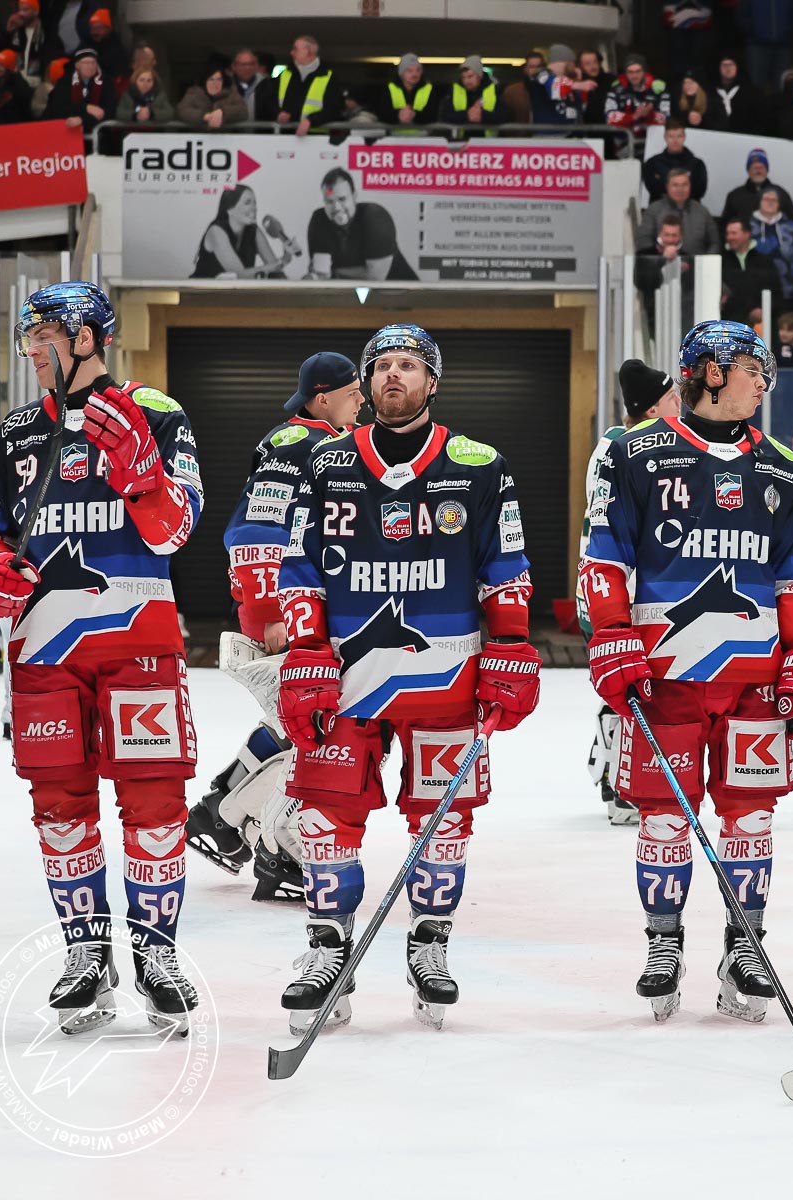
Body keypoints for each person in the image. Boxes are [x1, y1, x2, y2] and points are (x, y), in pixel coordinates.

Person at [273, 324, 540, 1035]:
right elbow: (298, 566)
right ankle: (328, 949)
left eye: (409, 365)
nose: (394, 375)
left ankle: (429, 944)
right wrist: (305, 650)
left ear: (432, 381)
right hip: (348, 680)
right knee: (325, 816)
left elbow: (506, 566)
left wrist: (511, 647)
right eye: (382, 365)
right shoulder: (325, 462)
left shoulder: (479, 465)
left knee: (444, 820)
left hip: (445, 677)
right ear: (366, 384)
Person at [0, 282, 200, 1034]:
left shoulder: (157, 413)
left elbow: (176, 533)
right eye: (28, 339)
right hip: (43, 650)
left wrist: (142, 473)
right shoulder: (16, 431)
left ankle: (157, 955)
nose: (33, 351)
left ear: (87, 337)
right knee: (58, 807)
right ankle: (86, 952)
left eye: (46, 337)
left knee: (155, 807)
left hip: (138, 644)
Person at [581, 322, 793, 1023]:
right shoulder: (633, 453)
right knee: (663, 819)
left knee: (751, 819)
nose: (763, 382)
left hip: (755, 681)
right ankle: (664, 942)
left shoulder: (783, 465)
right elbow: (604, 557)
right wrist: (612, 635)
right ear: (710, 372)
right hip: (665, 678)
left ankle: (746, 945)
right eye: (751, 369)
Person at [187, 352, 364, 900]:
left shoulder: (319, 440)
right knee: (319, 728)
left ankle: (221, 811)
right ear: (323, 397)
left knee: (294, 722)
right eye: (354, 391)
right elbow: (256, 528)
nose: (362, 399)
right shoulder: (298, 443)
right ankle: (279, 846)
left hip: (298, 607)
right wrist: (272, 612)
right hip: (284, 612)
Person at [576, 361, 681, 827]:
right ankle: (621, 785)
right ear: (654, 408)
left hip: (604, 589)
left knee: (621, 685)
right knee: (632, 688)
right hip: (622, 592)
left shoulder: (612, 445)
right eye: (673, 398)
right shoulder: (630, 450)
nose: (681, 405)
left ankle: (609, 773)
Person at [306, 168, 416, 281]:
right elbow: (320, 272)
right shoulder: (319, 221)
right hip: (346, 291)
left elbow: (375, 278)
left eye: (342, 199)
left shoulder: (374, 217)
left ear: (354, 197)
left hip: (402, 290)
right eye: (329, 201)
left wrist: (334, 273)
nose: (336, 208)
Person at [192, 185, 293, 280]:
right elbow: (238, 274)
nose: (254, 208)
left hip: (235, 291)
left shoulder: (254, 230)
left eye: (254, 203)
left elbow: (274, 268)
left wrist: (287, 256)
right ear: (230, 209)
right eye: (247, 203)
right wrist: (281, 262)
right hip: (203, 290)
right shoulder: (216, 231)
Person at [638, 167, 719, 257]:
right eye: (675, 185)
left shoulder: (702, 211)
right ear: (667, 187)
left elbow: (714, 243)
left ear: (690, 186)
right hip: (661, 263)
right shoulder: (654, 210)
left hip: (696, 263)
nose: (680, 189)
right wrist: (660, 258)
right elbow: (644, 241)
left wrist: (706, 261)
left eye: (684, 185)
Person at [275, 33, 342, 136]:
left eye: (295, 49)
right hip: (284, 135)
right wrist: (278, 113)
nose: (291, 53)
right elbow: (269, 101)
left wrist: (311, 120)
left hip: (315, 138)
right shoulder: (285, 74)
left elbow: (334, 110)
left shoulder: (329, 78)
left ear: (309, 52)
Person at [750, 188, 793, 301]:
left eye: (774, 200)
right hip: (754, 284)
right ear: (759, 201)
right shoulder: (748, 226)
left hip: (788, 286)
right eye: (766, 199)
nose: (770, 202)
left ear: (779, 204)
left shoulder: (791, 226)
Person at [721, 218, 784, 321]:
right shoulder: (720, 261)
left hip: (760, 323)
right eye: (727, 233)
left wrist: (763, 309)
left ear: (747, 234)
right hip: (729, 321)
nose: (729, 237)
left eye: (734, 233)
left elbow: (776, 292)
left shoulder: (764, 261)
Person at [720, 149, 793, 228]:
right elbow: (724, 227)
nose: (758, 171)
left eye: (761, 167)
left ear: (767, 170)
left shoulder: (781, 195)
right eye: (754, 167)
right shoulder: (734, 196)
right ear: (748, 170)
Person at [641, 119, 709, 203]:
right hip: (661, 208)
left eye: (679, 136)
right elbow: (653, 190)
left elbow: (700, 191)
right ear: (665, 137)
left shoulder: (697, 164)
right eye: (671, 136)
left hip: (689, 208)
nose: (675, 140)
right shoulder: (653, 163)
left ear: (684, 137)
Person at [45, 46, 109, 135]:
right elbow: (58, 108)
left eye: (93, 62)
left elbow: (107, 111)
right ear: (77, 65)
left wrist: (82, 120)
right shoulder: (65, 82)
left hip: (97, 134)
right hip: (64, 133)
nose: (90, 66)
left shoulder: (105, 82)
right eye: (86, 63)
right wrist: (85, 108)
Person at [606, 54, 670, 129]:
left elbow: (666, 117)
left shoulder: (658, 88)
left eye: (638, 71)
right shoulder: (616, 88)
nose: (634, 76)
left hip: (652, 134)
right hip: (624, 134)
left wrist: (649, 115)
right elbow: (609, 117)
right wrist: (633, 117)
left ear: (644, 72)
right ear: (625, 73)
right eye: (630, 72)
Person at [439, 55, 505, 127]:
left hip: (486, 134)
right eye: (463, 77)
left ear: (479, 76)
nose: (466, 81)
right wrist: (467, 115)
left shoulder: (494, 90)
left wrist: (482, 115)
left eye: (470, 76)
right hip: (462, 134)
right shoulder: (455, 89)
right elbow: (444, 116)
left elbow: (504, 116)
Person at [178, 66, 249, 130]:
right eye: (211, 79)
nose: (215, 83)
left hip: (226, 138)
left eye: (219, 79)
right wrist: (204, 116)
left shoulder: (231, 94)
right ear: (205, 81)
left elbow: (243, 111)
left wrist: (223, 112)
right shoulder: (194, 93)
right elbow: (182, 110)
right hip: (199, 138)